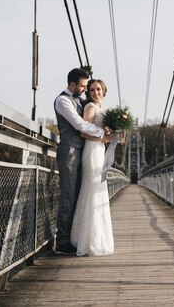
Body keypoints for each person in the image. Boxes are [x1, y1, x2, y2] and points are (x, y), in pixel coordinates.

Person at [53, 68, 111, 255]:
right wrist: (104, 135)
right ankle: (62, 242)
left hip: (83, 151)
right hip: (69, 151)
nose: (86, 90)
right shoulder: (63, 101)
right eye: (83, 86)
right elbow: (80, 125)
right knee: (69, 197)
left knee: (79, 196)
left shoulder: (83, 101)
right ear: (72, 84)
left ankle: (74, 237)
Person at [70, 79, 115, 256]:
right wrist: (104, 138)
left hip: (99, 151)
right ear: (88, 93)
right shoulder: (90, 107)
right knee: (92, 188)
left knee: (98, 189)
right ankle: (88, 240)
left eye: (98, 89)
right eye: (92, 90)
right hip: (92, 151)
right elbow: (84, 132)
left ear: (104, 91)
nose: (95, 92)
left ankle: (95, 237)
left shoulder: (102, 109)